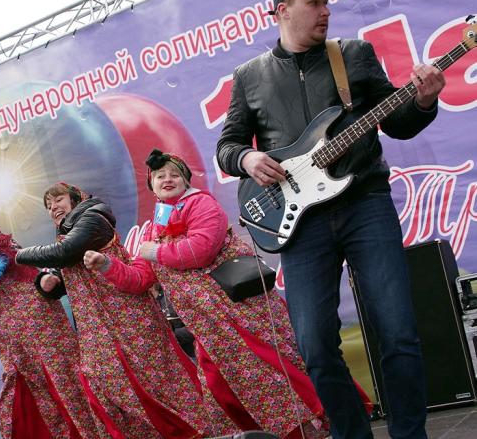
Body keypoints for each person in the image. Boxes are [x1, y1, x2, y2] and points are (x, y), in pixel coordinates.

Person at [216, 0, 446, 437]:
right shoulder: (249, 76)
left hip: (365, 202)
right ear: (282, 10)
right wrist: (247, 157)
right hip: (300, 223)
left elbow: (396, 122)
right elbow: (228, 146)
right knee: (315, 345)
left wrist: (423, 100)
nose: (325, 11)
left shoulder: (353, 55)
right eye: (314, 3)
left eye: (327, 3)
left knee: (397, 330)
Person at [84, 149, 330, 438]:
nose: (167, 179)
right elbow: (140, 279)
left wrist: (158, 252)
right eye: (160, 176)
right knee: (222, 389)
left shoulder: (201, 203)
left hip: (239, 315)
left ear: (186, 181)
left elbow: (201, 250)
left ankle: (310, 428)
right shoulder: (153, 228)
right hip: (207, 327)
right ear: (151, 185)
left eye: (175, 174)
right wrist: (107, 265)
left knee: (269, 372)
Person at [15, 183, 218, 439]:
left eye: (58, 200)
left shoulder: (93, 216)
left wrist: (19, 255)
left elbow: (65, 254)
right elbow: (66, 270)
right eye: (48, 206)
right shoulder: (70, 235)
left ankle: (200, 433)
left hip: (127, 319)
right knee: (110, 390)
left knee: (156, 386)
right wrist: (47, 284)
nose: (53, 207)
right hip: (97, 328)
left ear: (76, 199)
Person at [0, 213, 102, 439]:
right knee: (29, 411)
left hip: (48, 347)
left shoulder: (0, 250)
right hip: (21, 359)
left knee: (71, 396)